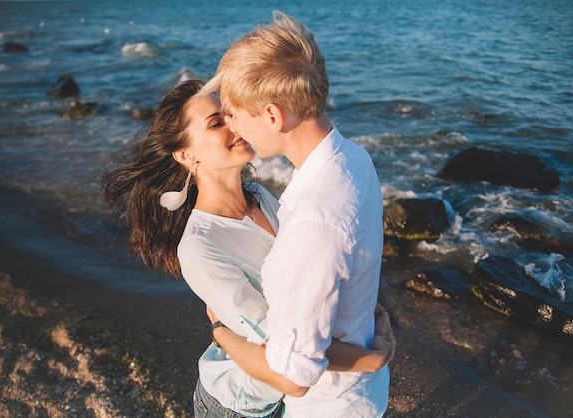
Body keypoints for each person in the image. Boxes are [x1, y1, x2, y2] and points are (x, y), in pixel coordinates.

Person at [100, 79, 394, 418]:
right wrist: (372, 357)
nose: (234, 125)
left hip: (289, 396)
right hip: (238, 405)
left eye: (230, 115)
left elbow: (317, 269)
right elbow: (280, 350)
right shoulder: (199, 246)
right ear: (185, 154)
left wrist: (371, 317)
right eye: (216, 123)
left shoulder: (260, 196)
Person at [200, 11, 391, 417]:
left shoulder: (314, 221)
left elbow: (295, 374)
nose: (232, 127)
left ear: (272, 116)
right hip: (363, 391)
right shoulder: (354, 158)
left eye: (233, 113)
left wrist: (221, 331)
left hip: (329, 406)